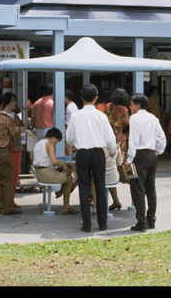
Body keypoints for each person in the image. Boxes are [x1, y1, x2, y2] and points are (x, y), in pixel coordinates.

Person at [66, 84, 117, 233]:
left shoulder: (76, 116)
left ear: (81, 98)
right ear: (96, 98)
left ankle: (86, 224)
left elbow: (69, 139)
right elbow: (110, 138)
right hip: (98, 153)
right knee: (101, 187)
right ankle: (102, 223)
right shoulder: (101, 116)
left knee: (83, 187)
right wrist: (112, 150)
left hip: (82, 153)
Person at [125, 93, 167, 232]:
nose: (130, 106)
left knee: (137, 189)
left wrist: (129, 159)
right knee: (150, 188)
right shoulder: (153, 118)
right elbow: (162, 137)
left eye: (131, 104)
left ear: (138, 105)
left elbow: (133, 139)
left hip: (138, 155)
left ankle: (141, 221)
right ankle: (151, 219)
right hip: (151, 154)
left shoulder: (134, 118)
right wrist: (157, 152)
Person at [33, 128, 79, 215]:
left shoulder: (38, 144)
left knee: (68, 171)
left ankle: (61, 192)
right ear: (54, 138)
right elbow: (54, 161)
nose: (56, 143)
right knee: (69, 179)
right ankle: (66, 206)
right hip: (47, 174)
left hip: (39, 173)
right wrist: (62, 164)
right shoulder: (49, 144)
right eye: (57, 141)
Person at [102, 88, 130, 211]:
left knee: (109, 169)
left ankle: (115, 200)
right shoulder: (124, 110)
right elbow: (126, 124)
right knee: (122, 167)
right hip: (121, 140)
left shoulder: (108, 107)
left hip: (108, 140)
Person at [0, 92, 25, 207]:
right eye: (13, 101)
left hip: (17, 148)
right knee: (6, 176)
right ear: (7, 102)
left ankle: (11, 199)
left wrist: (17, 129)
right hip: (8, 148)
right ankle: (4, 200)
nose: (15, 103)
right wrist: (17, 129)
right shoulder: (2, 116)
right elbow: (13, 130)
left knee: (15, 175)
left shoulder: (14, 115)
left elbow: (22, 128)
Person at [64, 89, 79, 156]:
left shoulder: (69, 107)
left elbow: (72, 119)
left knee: (68, 149)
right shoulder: (73, 105)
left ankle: (70, 166)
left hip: (70, 129)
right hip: (75, 129)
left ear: (66, 97)